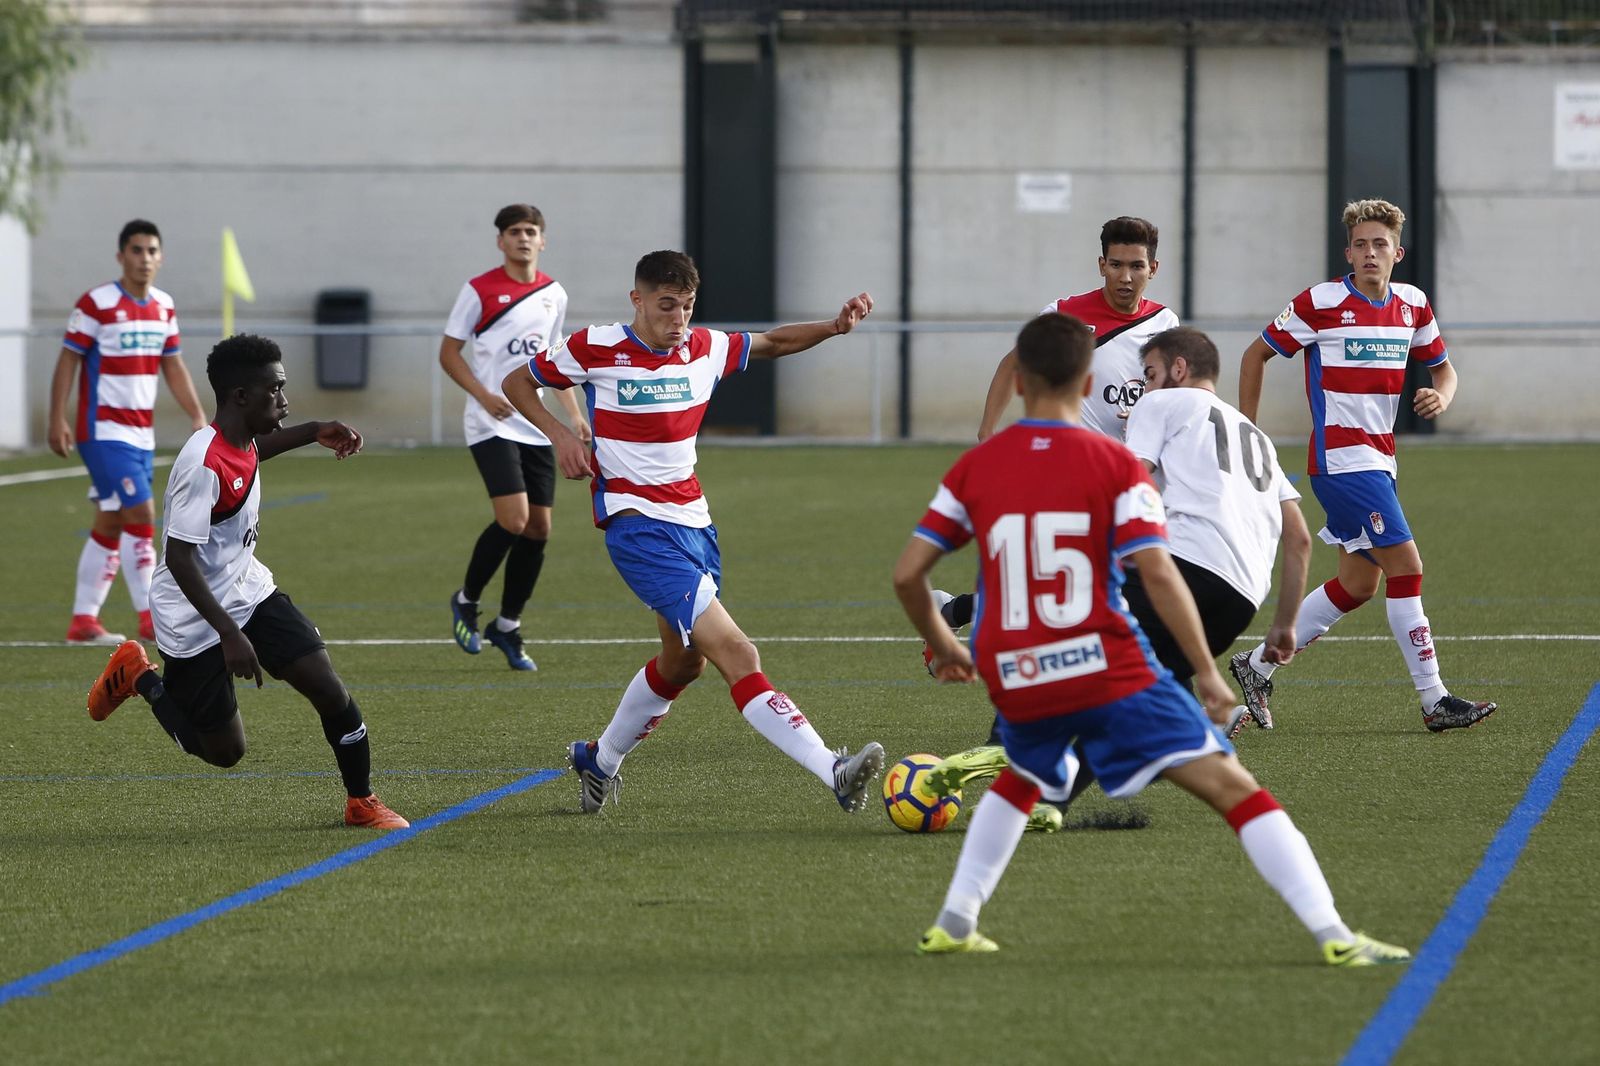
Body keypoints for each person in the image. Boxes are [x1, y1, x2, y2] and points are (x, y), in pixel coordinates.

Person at [895, 311, 1409, 965]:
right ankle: (1336, 937)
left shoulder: (977, 467)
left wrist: (945, 645)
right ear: (1089, 384)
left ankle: (955, 920)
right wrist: (1207, 673)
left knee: (1023, 774)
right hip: (1106, 662)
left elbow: (908, 574)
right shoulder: (1113, 462)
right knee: (1235, 788)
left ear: (1018, 381)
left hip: (1017, 667)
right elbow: (1159, 571)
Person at [501, 250, 885, 815]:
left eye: (686, 306)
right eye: (665, 306)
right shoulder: (595, 346)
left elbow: (774, 342)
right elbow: (517, 382)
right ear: (637, 300)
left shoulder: (705, 347)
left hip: (695, 524)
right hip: (638, 529)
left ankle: (599, 760)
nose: (677, 318)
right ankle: (833, 769)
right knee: (737, 651)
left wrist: (833, 326)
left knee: (684, 662)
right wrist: (560, 435)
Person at [85, 334, 408, 830]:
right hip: (191, 615)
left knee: (326, 685)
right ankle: (140, 677)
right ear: (240, 396)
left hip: (248, 590)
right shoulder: (202, 465)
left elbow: (254, 454)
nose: (284, 400)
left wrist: (315, 431)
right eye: (275, 390)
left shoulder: (239, 441)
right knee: (223, 751)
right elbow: (180, 559)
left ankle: (361, 801)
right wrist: (229, 634)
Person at [1229, 199, 1496, 734]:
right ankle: (1434, 699)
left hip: (1381, 461)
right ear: (1348, 253)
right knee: (1407, 568)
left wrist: (1442, 396)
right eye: (1360, 245)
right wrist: (1248, 432)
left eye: (1380, 244)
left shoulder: (1413, 305)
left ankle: (1256, 666)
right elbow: (1254, 355)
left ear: (1398, 252)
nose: (1370, 253)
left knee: (1357, 585)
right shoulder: (1320, 302)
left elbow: (1444, 371)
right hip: (1341, 462)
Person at [1122, 326, 1312, 730]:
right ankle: (1205, 726)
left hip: (1185, 566)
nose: (1146, 387)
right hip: (1242, 599)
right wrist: (1284, 626)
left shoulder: (1160, 403)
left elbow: (1131, 480)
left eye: (1150, 375)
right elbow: (1299, 539)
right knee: (1151, 676)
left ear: (1178, 368)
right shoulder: (1258, 437)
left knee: (1074, 629)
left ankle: (1014, 745)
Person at [440, 204, 590, 671]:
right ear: (500, 241)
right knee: (514, 519)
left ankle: (506, 625)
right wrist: (484, 396)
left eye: (530, 231)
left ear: (543, 240)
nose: (523, 238)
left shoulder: (554, 294)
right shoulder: (479, 290)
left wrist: (574, 415)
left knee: (539, 528)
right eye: (514, 231)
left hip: (534, 421)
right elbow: (449, 353)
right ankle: (466, 600)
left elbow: (553, 362)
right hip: (491, 421)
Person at [48, 219, 207, 645]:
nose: (144, 258)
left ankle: (83, 622)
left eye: (152, 251)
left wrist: (196, 414)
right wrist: (56, 417)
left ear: (161, 257)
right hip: (102, 431)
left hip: (140, 435)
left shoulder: (164, 307)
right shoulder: (96, 303)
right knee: (141, 513)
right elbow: (68, 359)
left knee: (112, 521)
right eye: (136, 250)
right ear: (121, 256)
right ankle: (150, 618)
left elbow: (172, 364)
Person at [976, 215, 1178, 443]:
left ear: (1153, 268)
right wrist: (986, 431)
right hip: (1076, 454)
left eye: (1136, 266)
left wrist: (1147, 415)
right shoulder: (1065, 314)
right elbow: (1013, 364)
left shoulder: (1165, 322)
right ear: (1102, 266)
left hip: (1138, 456)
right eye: (1116, 265)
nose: (1126, 277)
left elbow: (1176, 393)